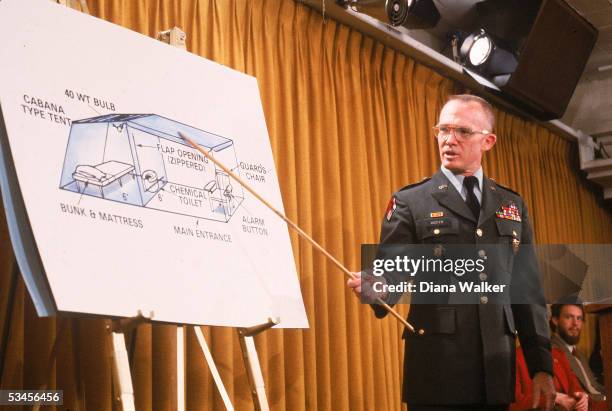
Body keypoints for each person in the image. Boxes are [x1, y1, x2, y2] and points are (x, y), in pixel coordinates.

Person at [347, 94, 555, 410]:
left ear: (488, 141)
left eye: (463, 131)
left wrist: (541, 365)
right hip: (437, 373)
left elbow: (527, 291)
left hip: (495, 373)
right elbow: (393, 267)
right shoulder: (412, 201)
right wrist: (378, 286)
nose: (449, 140)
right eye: (443, 130)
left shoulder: (511, 205)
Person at [550, 303, 607, 411]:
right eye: (569, 317)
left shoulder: (578, 353)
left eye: (579, 318)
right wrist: (604, 398)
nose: (575, 323)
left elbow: (594, 387)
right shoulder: (552, 351)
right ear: (555, 320)